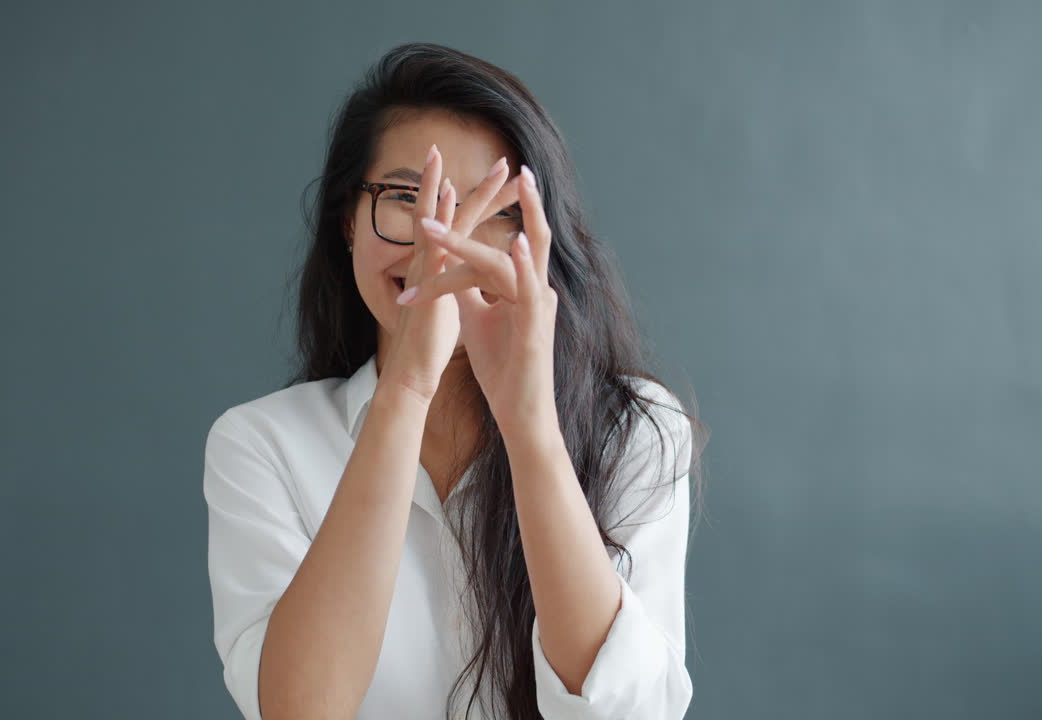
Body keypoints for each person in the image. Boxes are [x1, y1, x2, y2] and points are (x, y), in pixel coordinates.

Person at [203, 42, 707, 720]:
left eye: (493, 209)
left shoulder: (637, 428)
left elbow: (627, 714)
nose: (445, 243)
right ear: (348, 221)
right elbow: (301, 710)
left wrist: (529, 424)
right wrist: (406, 388)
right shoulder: (261, 444)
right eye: (408, 198)